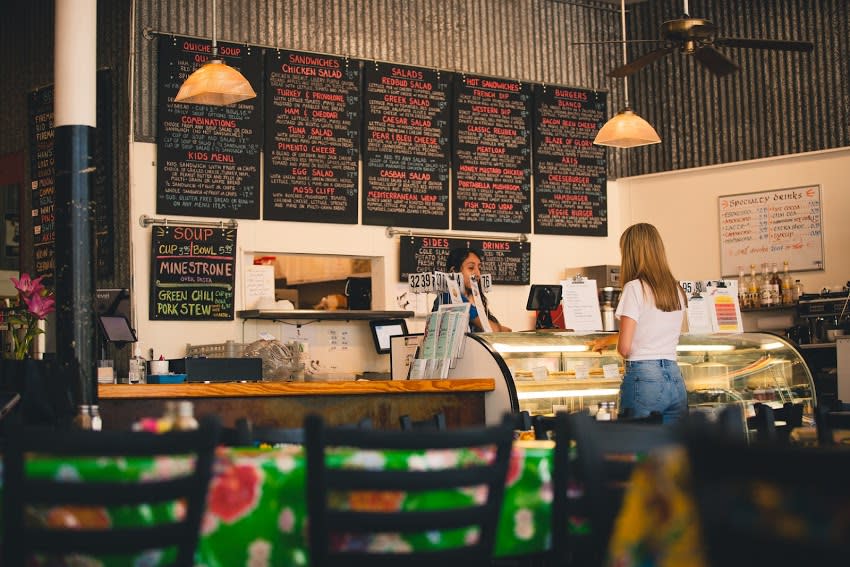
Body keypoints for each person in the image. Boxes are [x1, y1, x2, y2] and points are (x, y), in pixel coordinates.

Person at [591, 223, 688, 423]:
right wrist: (608, 340)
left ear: (631, 253)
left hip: (644, 378)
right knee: (671, 450)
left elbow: (625, 348)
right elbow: (651, 329)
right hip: (674, 377)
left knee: (637, 446)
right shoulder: (676, 289)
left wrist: (616, 348)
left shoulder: (634, 288)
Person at [432, 247, 511, 332]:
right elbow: (494, 329)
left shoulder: (473, 298)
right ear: (454, 271)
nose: (477, 273)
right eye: (471, 268)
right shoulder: (449, 297)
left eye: (479, 268)